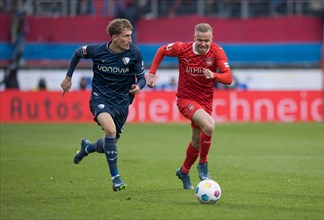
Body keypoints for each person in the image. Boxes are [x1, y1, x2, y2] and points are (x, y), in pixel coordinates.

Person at [61, 18, 146, 192]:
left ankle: (88, 147)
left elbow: (142, 78)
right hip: (100, 99)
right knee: (110, 130)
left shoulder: (134, 53)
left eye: (131, 35)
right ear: (114, 37)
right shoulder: (97, 50)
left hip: (122, 103)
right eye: (126, 36)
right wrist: (68, 77)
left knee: (110, 141)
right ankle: (116, 178)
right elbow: (78, 52)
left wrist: (139, 86)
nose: (130, 40)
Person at [147, 23, 232, 190]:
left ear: (211, 39)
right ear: (194, 38)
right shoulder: (182, 48)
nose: (203, 44)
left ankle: (184, 171)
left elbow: (228, 78)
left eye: (206, 40)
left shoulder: (217, 51)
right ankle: (203, 164)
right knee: (209, 125)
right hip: (185, 99)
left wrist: (214, 75)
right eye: (200, 40)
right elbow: (161, 50)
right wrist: (151, 73)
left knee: (197, 141)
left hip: (206, 101)